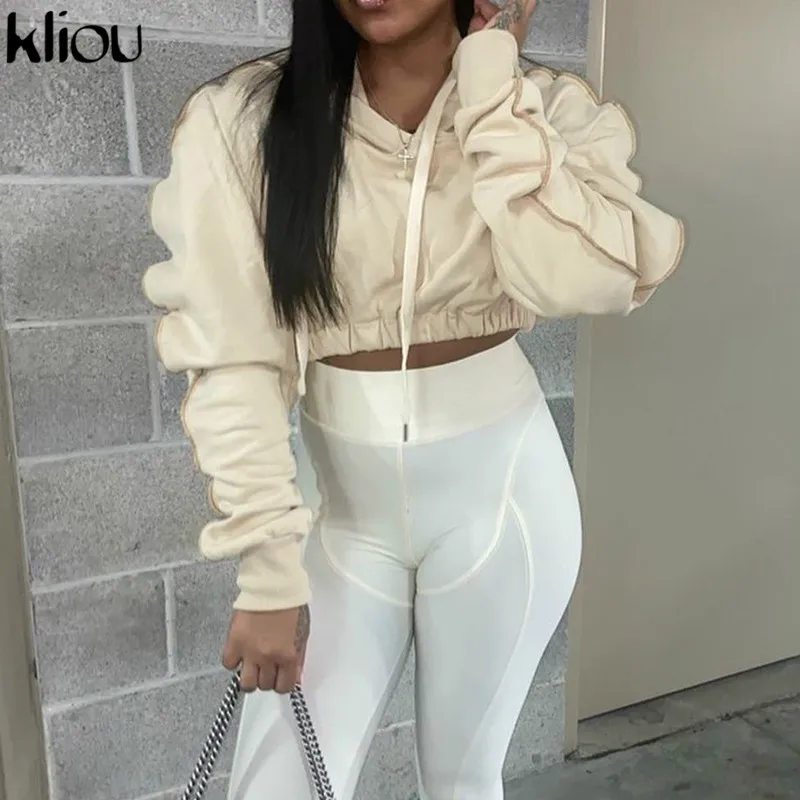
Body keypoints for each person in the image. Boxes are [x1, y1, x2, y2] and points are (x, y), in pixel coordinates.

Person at [143, 0, 684, 795]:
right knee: (274, 786)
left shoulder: (545, 110)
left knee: (461, 781)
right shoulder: (242, 122)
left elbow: (588, 279)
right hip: (339, 514)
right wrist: (267, 570)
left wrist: (491, 84)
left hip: (502, 503)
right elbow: (233, 360)